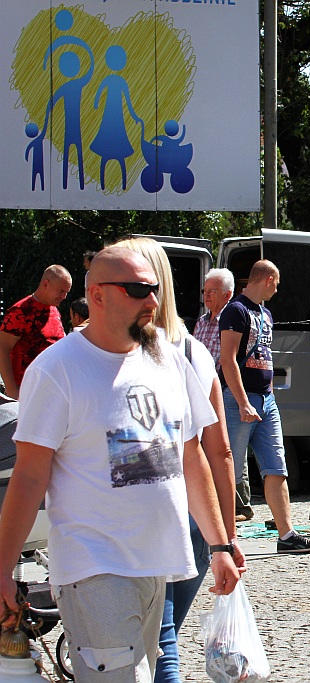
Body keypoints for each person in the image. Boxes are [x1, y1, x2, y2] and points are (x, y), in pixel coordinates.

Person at [0, 247, 240, 683]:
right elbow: (29, 476)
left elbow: (191, 457)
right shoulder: (57, 370)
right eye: (136, 290)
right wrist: (1, 568)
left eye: (154, 289)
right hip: (95, 568)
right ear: (97, 295)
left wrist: (220, 545)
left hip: (157, 564)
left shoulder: (168, 359)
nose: (151, 301)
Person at [113, 238, 246, 683]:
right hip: (194, 518)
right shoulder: (194, 352)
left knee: (159, 639)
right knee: (161, 634)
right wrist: (225, 536)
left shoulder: (113, 349)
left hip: (139, 512)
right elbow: (220, 452)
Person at [220, 260, 310, 554]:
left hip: (266, 399)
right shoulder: (235, 310)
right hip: (239, 399)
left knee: (277, 467)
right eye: (276, 283)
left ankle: (287, 535)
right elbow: (227, 360)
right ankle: (224, 539)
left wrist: (267, 398)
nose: (277, 290)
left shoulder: (265, 312)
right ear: (266, 279)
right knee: (228, 470)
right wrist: (242, 401)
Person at [194, 268, 254, 522]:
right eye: (205, 291)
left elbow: (227, 359)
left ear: (228, 294)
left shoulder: (232, 319)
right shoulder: (201, 321)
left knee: (230, 448)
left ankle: (239, 505)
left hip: (223, 387)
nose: (207, 295)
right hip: (200, 388)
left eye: (213, 291)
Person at [0, 265, 72, 399]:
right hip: (26, 392)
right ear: (46, 284)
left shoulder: (53, 309)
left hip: (51, 391)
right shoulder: (21, 311)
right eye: (61, 291)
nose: (64, 296)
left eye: (66, 292)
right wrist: (12, 390)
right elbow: (2, 349)